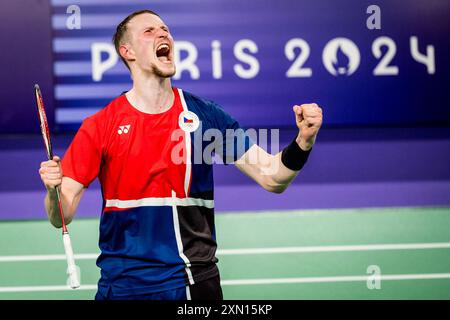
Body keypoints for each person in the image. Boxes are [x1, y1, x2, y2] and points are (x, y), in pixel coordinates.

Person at [39, 9, 323, 300]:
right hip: (124, 285)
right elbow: (61, 216)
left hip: (194, 283)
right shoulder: (100, 126)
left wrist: (304, 140)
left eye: (165, 29)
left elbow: (272, 177)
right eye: (149, 31)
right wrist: (53, 190)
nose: (163, 34)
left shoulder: (206, 116)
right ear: (128, 51)